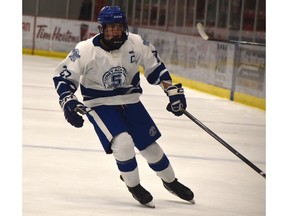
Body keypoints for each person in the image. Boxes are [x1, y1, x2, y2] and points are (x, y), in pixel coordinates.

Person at [53, 6, 194, 208]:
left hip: (131, 102)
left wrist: (172, 92)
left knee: (151, 148)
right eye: (109, 28)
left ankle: (171, 182)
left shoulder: (136, 43)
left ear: (124, 27)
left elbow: (157, 69)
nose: (114, 32)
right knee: (123, 143)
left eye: (117, 27)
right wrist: (67, 100)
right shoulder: (85, 49)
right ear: (101, 29)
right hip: (100, 104)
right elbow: (63, 77)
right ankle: (134, 185)